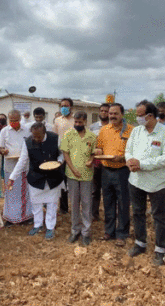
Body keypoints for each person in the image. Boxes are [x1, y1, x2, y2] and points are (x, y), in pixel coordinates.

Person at [125, 100, 165, 266]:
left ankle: (161, 249)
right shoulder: (137, 131)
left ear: (151, 116)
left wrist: (142, 164)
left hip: (156, 182)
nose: (138, 118)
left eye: (140, 115)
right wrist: (130, 161)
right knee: (138, 212)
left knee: (158, 216)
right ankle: (140, 243)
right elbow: (128, 150)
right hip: (136, 180)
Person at [8, 123, 64, 240]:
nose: (36, 139)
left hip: (53, 177)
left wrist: (59, 162)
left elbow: (62, 154)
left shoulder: (55, 138)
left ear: (45, 133)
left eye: (38, 136)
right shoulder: (28, 142)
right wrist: (12, 177)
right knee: (36, 203)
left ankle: (50, 227)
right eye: (34, 136)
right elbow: (22, 161)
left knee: (52, 204)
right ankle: (37, 225)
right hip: (35, 177)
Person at [95, 103, 133, 247]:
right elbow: (99, 146)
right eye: (110, 114)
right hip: (106, 170)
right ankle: (109, 231)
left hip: (123, 171)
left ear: (122, 115)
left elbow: (135, 152)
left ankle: (122, 233)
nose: (112, 116)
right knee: (108, 202)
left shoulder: (131, 130)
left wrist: (122, 158)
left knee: (123, 203)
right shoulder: (104, 130)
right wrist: (98, 152)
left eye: (115, 113)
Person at [60, 111, 97, 246]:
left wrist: (91, 160)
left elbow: (94, 153)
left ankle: (86, 232)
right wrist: (73, 169)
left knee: (87, 203)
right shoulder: (68, 134)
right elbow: (65, 153)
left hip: (87, 175)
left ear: (85, 122)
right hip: (72, 174)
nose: (77, 124)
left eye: (80, 122)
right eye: (75, 122)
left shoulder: (92, 136)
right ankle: (75, 230)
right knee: (74, 203)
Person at [0, 110, 32, 226]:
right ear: (8, 120)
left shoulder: (27, 130)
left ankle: (25, 216)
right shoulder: (4, 131)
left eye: (16, 120)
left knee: (24, 192)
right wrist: (3, 151)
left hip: (24, 166)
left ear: (20, 119)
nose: (13, 123)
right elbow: (0, 147)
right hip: (10, 165)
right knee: (11, 192)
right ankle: (11, 218)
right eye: (11, 121)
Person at [53, 98, 75, 214]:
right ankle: (64, 208)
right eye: (62, 106)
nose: (64, 108)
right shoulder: (57, 120)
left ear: (71, 107)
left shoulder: (76, 120)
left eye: (66, 106)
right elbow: (55, 137)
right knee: (62, 181)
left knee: (75, 180)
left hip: (75, 154)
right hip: (62, 154)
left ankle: (76, 207)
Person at [88, 103, 110, 221]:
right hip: (96, 162)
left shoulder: (113, 126)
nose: (104, 113)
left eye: (106, 111)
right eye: (102, 110)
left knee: (108, 190)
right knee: (95, 190)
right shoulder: (93, 127)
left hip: (109, 163)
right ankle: (94, 214)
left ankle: (109, 214)